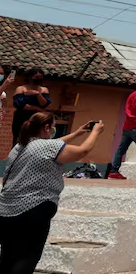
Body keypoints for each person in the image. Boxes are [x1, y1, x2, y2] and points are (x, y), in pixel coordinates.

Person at [0, 113, 105, 274]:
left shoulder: (20, 146)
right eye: (53, 127)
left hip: (6, 210)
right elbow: (82, 151)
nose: (54, 131)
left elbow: (55, 144)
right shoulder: (47, 147)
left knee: (8, 258)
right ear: (46, 128)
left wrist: (77, 133)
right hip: (33, 210)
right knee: (27, 258)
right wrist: (95, 132)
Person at [10, 68, 51, 143]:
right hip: (22, 118)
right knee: (19, 139)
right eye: (36, 77)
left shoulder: (44, 90)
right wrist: (36, 108)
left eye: (40, 77)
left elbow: (44, 104)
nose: (38, 79)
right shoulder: (21, 89)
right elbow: (19, 104)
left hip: (37, 119)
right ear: (30, 77)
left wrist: (37, 94)